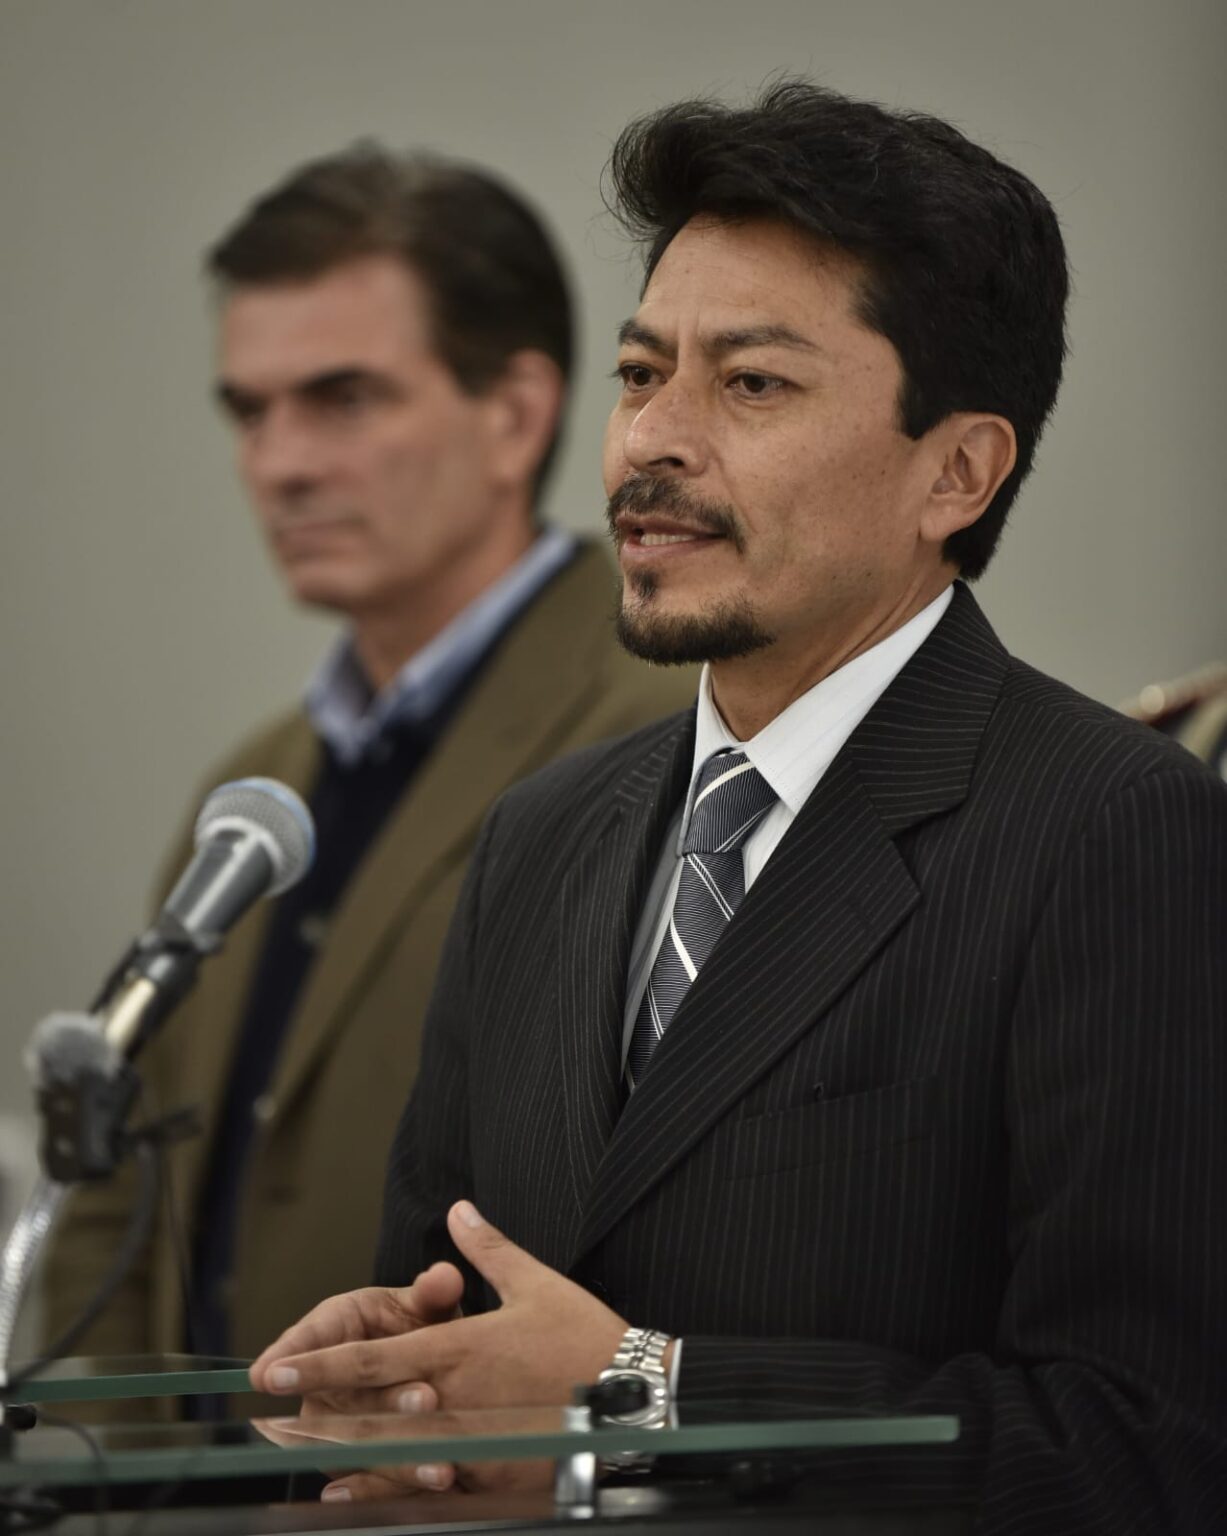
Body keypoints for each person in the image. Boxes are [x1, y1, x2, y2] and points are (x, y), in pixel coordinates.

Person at [250, 85, 1227, 1530]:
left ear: (956, 472)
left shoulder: (1112, 831)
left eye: (751, 385)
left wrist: (642, 1397)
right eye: (639, 373)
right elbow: (460, 1306)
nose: (652, 441)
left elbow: (1150, 1443)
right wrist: (395, 1376)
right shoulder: (539, 836)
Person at [40, 147, 695, 1363]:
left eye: (341, 399)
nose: (280, 464)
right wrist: (111, 1459)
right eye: (250, 412)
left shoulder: (665, 736)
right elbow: (113, 1198)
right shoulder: (251, 794)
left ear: (514, 416)